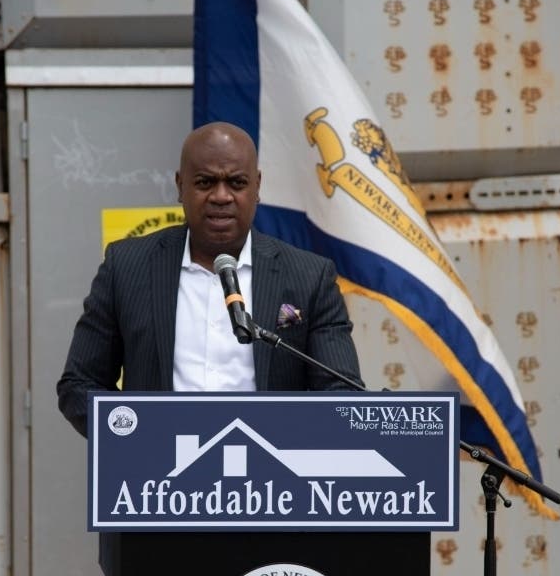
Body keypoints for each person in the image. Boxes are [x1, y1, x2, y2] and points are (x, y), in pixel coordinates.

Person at [56, 121, 363, 437]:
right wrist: (136, 436)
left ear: (257, 187)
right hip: (159, 461)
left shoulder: (310, 277)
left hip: (269, 464)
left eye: (236, 183)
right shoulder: (126, 267)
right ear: (180, 186)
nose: (221, 196)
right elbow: (79, 385)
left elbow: (341, 394)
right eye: (205, 182)